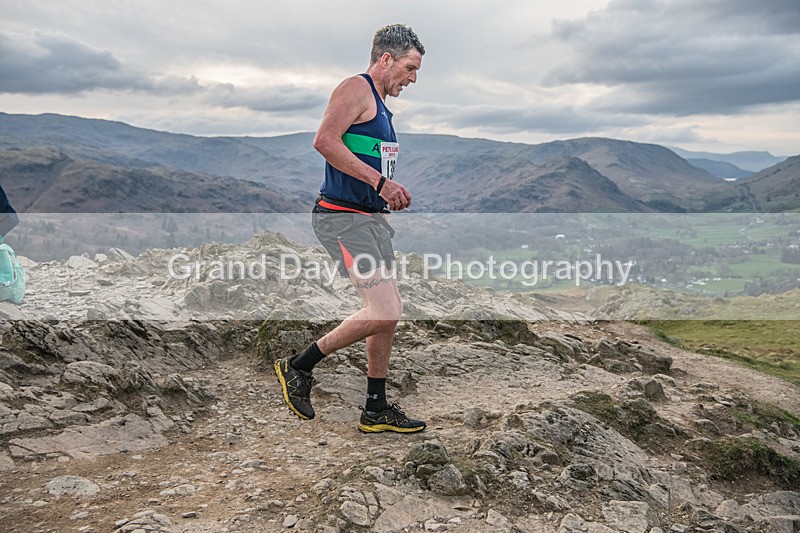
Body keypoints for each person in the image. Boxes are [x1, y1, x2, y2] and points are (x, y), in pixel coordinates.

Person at [274, 24, 426, 433]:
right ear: (386, 59)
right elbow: (324, 140)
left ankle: (375, 407)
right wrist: (381, 183)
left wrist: (382, 193)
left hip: (369, 221)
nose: (412, 79)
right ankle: (299, 366)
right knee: (386, 309)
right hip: (342, 219)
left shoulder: (380, 104)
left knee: (388, 316)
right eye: (410, 68)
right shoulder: (355, 89)